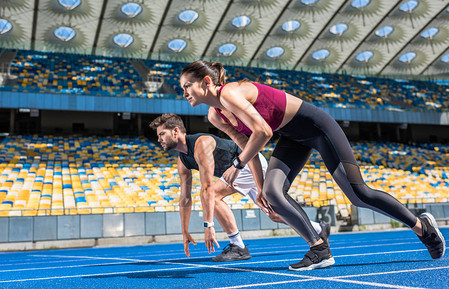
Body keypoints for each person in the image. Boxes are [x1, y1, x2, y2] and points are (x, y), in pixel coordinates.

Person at [179, 60, 446, 271]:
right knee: (272, 192)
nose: (184, 93)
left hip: (317, 127)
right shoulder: (215, 114)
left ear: (205, 82)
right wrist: (259, 189)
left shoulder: (230, 93)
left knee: (357, 194)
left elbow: (262, 132)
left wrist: (237, 165)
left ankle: (421, 227)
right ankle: (319, 249)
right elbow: (246, 143)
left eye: (187, 86)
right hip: (292, 136)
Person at [150, 113, 331, 262]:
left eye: (161, 134)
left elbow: (207, 188)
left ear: (175, 131)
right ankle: (317, 229)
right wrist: (184, 232)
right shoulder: (182, 161)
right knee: (274, 214)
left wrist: (208, 225)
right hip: (235, 174)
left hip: (248, 164)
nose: (159, 139)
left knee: (213, 195)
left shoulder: (201, 144)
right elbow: (185, 199)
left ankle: (238, 246)